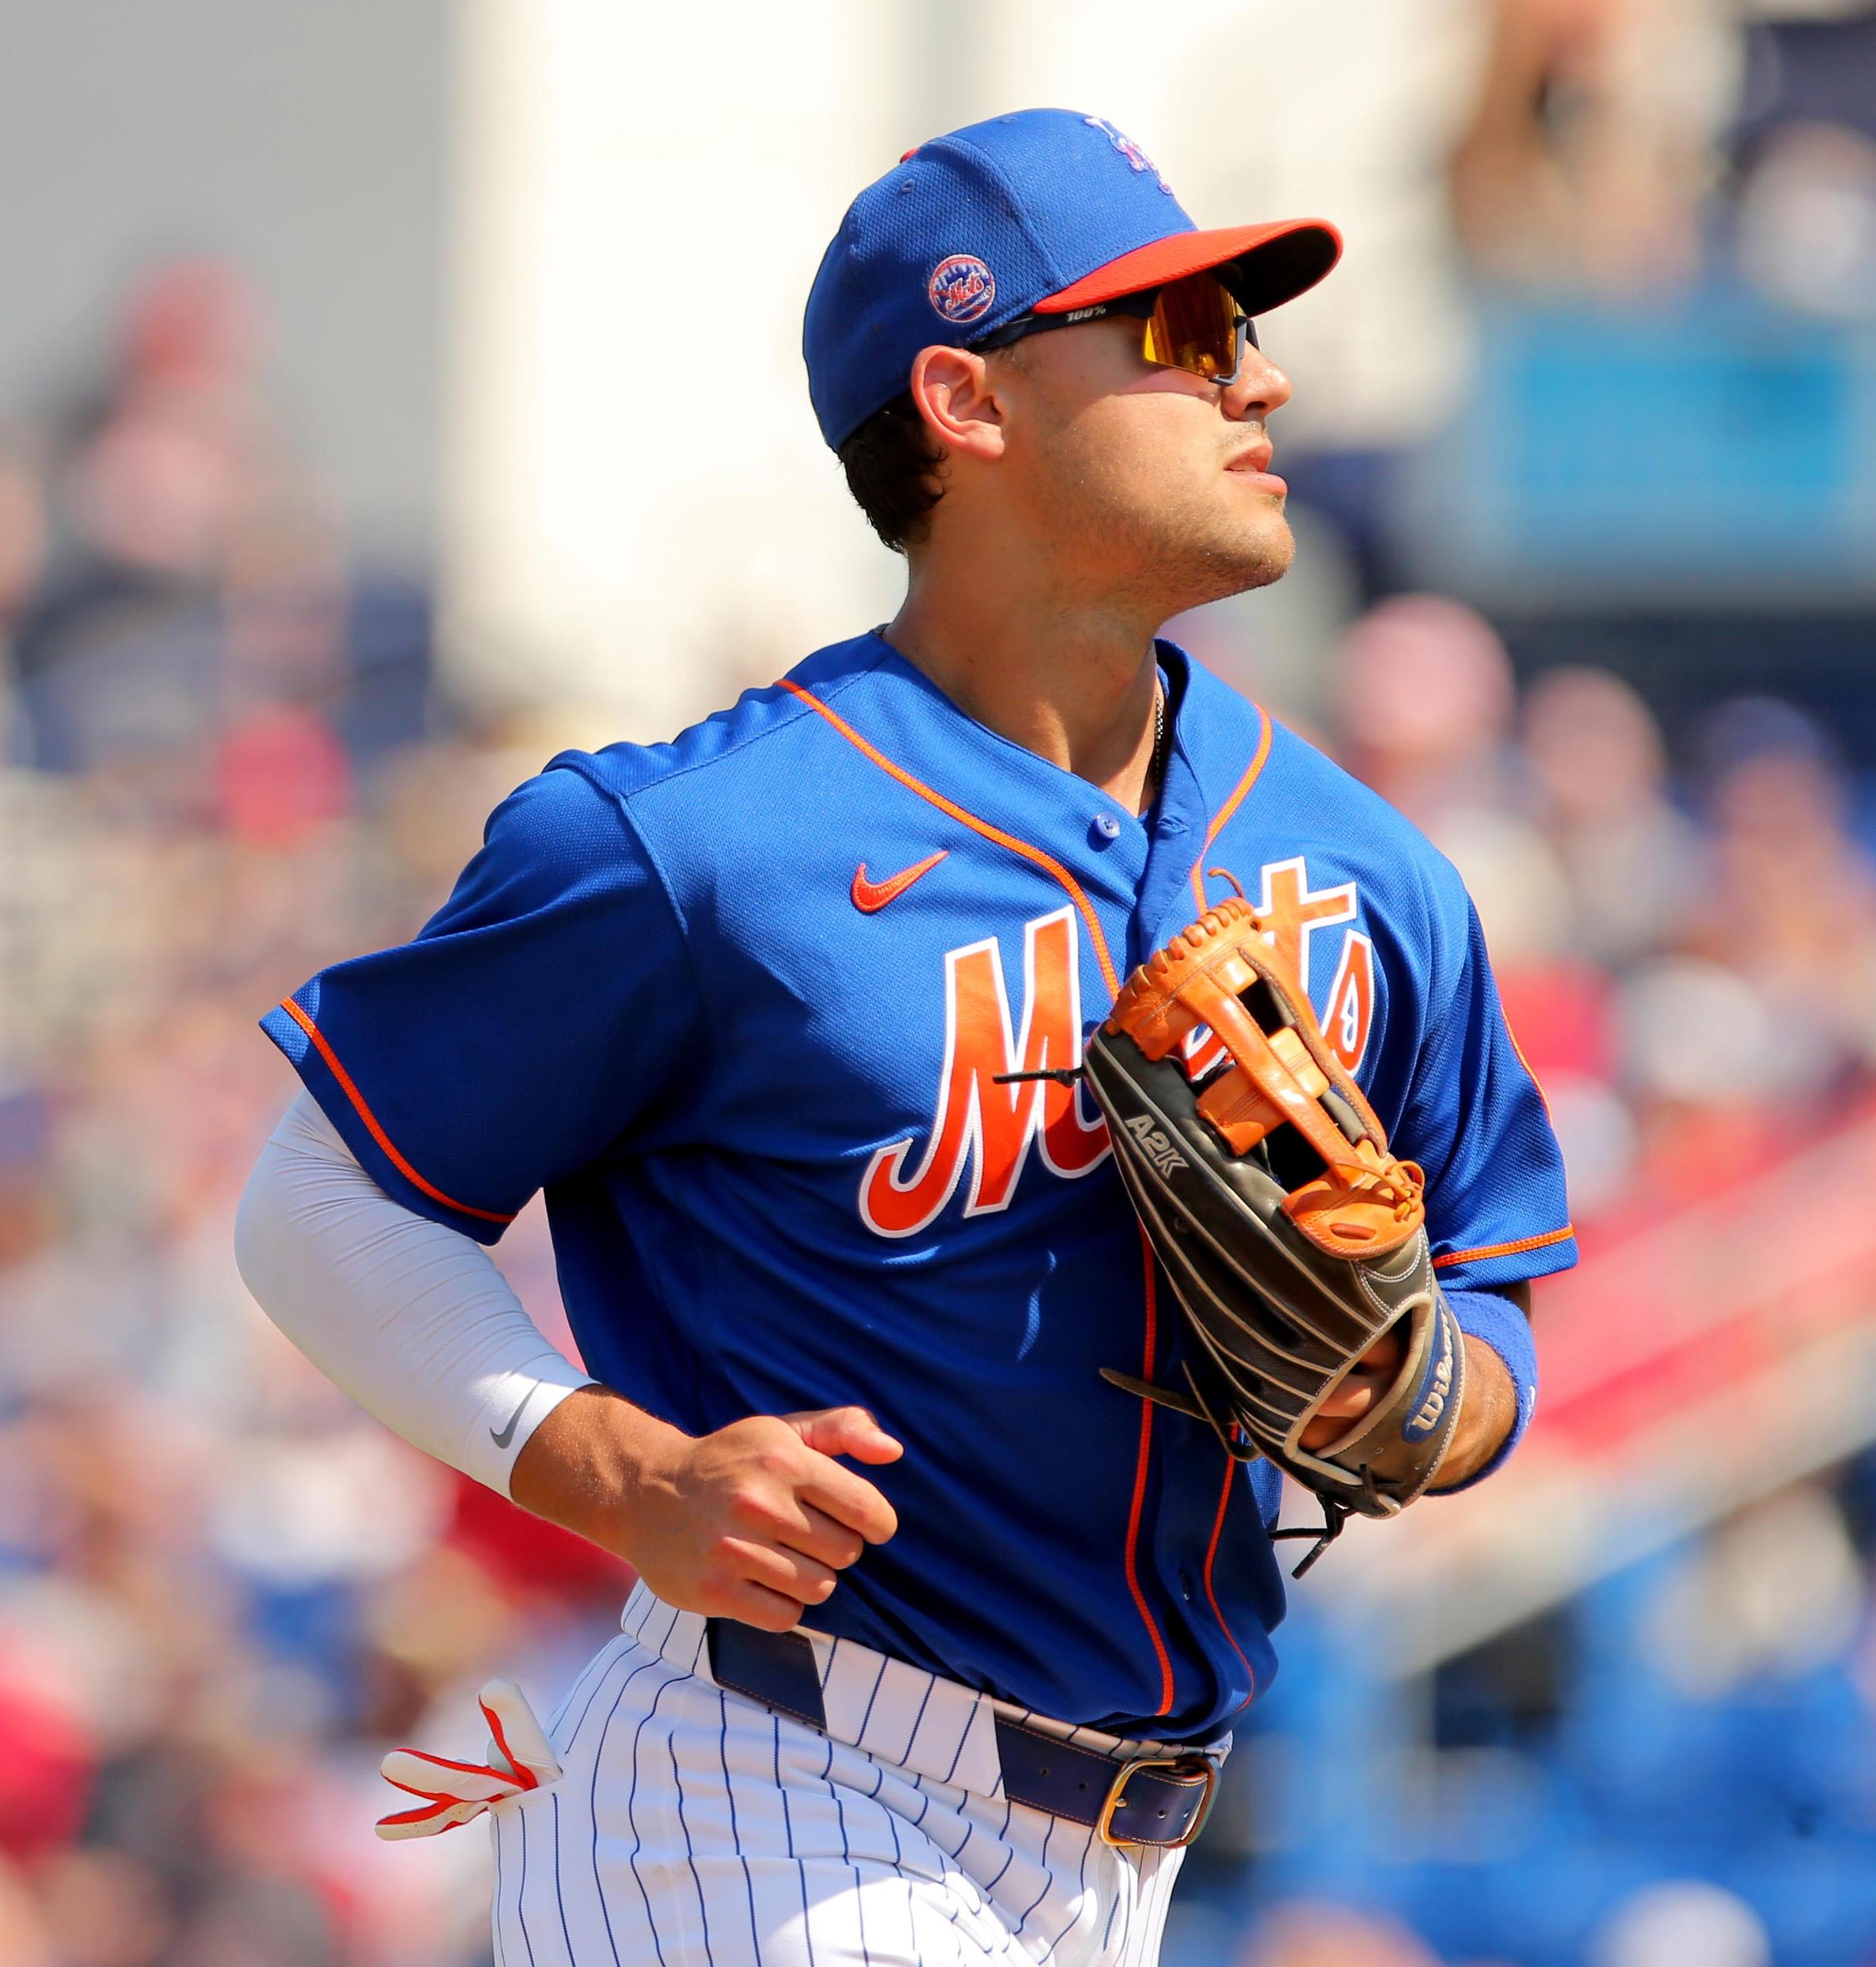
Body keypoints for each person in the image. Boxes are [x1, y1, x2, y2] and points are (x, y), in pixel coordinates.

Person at [237, 108, 1572, 1967]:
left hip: (1130, 1846)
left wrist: (1423, 1398)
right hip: (760, 1786)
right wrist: (610, 1465)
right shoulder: (701, 844)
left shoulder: (1365, 866)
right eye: (1183, 331)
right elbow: (320, 1191)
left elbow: (1495, 1286)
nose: (1260, 374)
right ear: (969, 398)